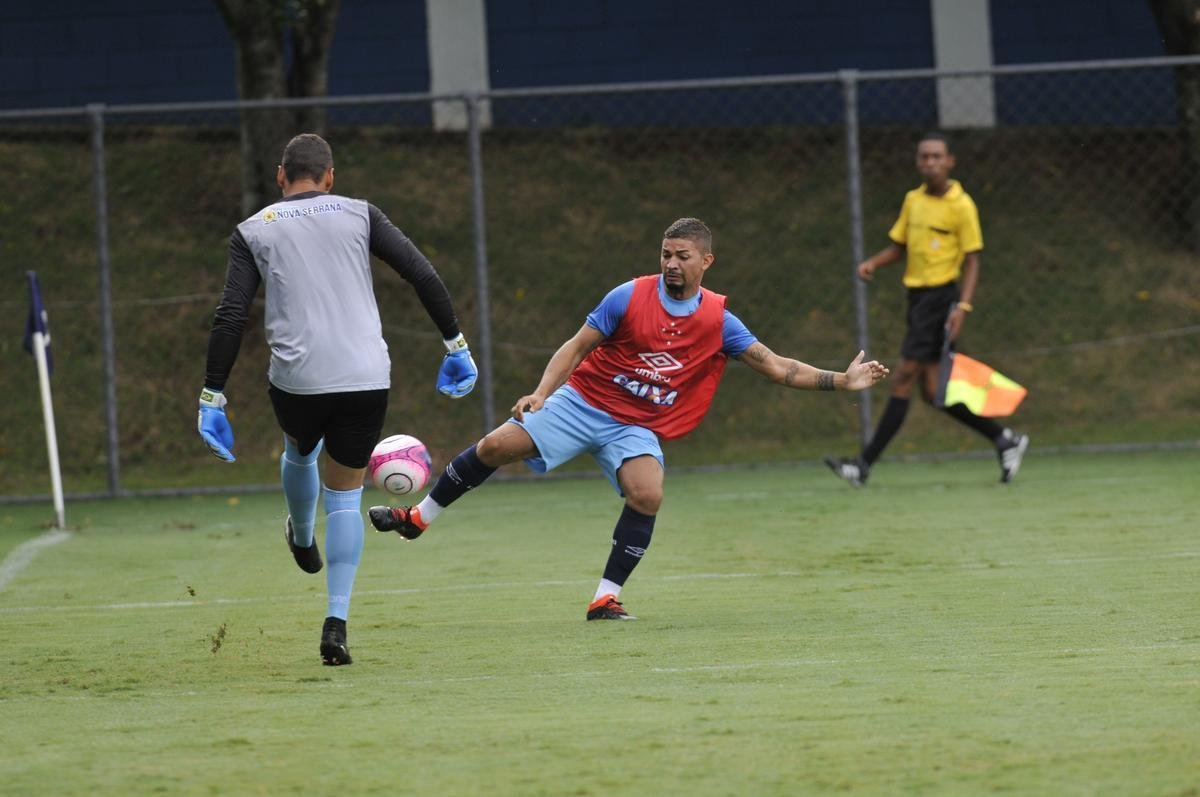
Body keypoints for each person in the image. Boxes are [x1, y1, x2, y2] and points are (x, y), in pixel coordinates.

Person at [368, 218, 889, 620]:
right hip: (582, 402)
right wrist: (541, 393)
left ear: (707, 260)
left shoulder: (718, 321)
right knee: (496, 447)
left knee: (648, 493)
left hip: (634, 426)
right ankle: (418, 518)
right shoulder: (630, 295)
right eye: (666, 254)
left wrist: (843, 381)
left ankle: (605, 600)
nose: (672, 263)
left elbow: (777, 368)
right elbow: (576, 347)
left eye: (683, 256)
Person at [197, 133, 477, 665]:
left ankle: (302, 534)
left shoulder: (255, 229)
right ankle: (337, 623)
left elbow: (231, 314)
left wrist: (213, 394)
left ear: (281, 177)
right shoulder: (360, 213)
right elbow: (421, 273)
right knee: (346, 495)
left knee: (299, 453)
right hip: (366, 375)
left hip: (298, 379)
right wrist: (455, 344)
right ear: (330, 176)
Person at [824, 132, 1028, 488]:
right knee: (934, 391)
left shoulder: (962, 205)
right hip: (917, 300)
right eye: (924, 157)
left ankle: (862, 465)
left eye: (937, 157)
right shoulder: (912, 201)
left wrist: (962, 306)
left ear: (950, 161)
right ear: (919, 162)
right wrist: (873, 262)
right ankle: (1004, 439)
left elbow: (973, 259)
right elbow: (900, 246)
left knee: (903, 377)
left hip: (941, 299)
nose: (930, 163)